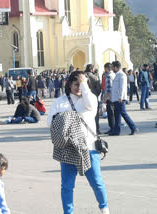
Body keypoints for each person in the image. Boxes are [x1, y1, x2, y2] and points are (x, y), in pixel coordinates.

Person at [47, 71, 110, 214]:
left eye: (83, 84)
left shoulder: (90, 98)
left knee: (97, 182)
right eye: (76, 84)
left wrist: (84, 83)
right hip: (68, 148)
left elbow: (91, 105)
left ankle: (104, 208)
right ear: (69, 84)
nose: (80, 88)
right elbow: (50, 122)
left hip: (89, 147)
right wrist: (65, 119)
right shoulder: (59, 102)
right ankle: (68, 212)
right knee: (67, 186)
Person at [109, 61, 138, 136]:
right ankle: (116, 130)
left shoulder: (122, 75)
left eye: (113, 67)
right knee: (117, 114)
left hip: (120, 98)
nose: (112, 69)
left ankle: (133, 128)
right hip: (116, 98)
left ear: (116, 67)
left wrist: (121, 97)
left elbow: (122, 87)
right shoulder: (117, 75)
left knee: (123, 113)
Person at [85, 64, 102, 134]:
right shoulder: (95, 77)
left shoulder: (83, 76)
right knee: (95, 114)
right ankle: (96, 129)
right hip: (93, 96)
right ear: (91, 69)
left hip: (84, 96)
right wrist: (97, 94)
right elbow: (99, 88)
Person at [102, 63, 116, 134]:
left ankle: (112, 128)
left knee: (110, 114)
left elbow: (108, 89)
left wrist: (106, 98)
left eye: (105, 68)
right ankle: (113, 128)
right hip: (114, 97)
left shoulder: (109, 76)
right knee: (113, 113)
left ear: (108, 68)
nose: (105, 70)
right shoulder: (114, 75)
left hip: (110, 98)